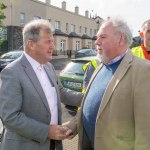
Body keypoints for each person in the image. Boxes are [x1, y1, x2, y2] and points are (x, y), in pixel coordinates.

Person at [66, 17, 150, 150]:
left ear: (121, 39)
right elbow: (89, 104)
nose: (96, 42)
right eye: (97, 37)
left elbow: (146, 132)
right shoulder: (100, 66)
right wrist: (73, 126)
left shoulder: (144, 70)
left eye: (103, 37)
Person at [0, 19, 83, 150]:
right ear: (31, 44)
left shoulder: (48, 67)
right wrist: (46, 131)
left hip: (53, 145)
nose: (53, 46)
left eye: (53, 41)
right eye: (48, 41)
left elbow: (61, 93)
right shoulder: (12, 72)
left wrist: (89, 97)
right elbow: (10, 117)